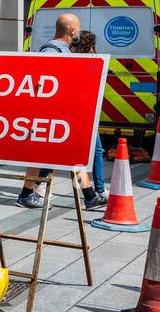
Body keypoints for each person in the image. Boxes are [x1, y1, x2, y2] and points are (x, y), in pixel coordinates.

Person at [16, 13, 106, 210]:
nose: (80, 32)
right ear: (72, 30)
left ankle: (89, 195)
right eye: (78, 28)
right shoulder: (52, 52)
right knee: (44, 155)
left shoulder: (62, 51)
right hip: (54, 115)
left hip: (63, 114)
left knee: (70, 154)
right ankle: (26, 194)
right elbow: (46, 86)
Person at [70, 30, 107, 202]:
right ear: (90, 46)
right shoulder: (91, 64)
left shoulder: (71, 60)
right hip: (84, 115)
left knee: (78, 155)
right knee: (95, 152)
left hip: (76, 113)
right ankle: (97, 191)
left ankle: (94, 192)